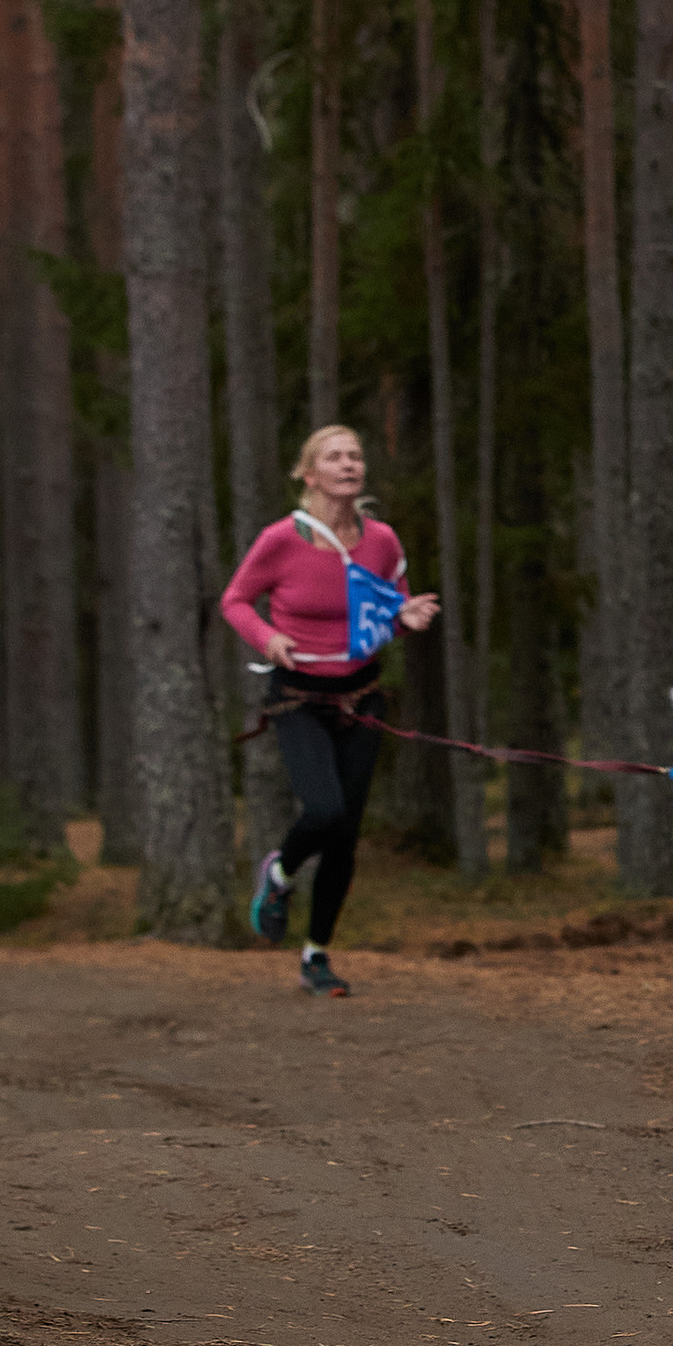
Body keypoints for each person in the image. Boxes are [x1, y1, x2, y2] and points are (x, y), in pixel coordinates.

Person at [220, 425, 442, 995]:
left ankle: (316, 955)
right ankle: (279, 873)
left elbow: (388, 608)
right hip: (298, 697)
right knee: (323, 810)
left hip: (361, 697)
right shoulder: (280, 540)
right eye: (335, 457)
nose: (349, 465)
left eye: (356, 456)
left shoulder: (383, 542)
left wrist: (406, 617)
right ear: (309, 474)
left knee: (345, 833)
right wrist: (267, 638)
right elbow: (235, 600)